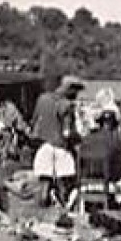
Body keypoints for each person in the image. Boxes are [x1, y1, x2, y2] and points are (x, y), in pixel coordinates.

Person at [30, 75, 84, 208]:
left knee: (44, 182)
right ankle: (63, 208)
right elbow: (67, 133)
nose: (76, 95)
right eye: (75, 92)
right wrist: (79, 138)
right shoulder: (66, 105)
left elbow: (34, 122)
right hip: (60, 147)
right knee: (64, 181)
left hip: (42, 145)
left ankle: (42, 208)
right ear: (70, 89)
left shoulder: (42, 99)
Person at [77, 107, 121, 205]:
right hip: (108, 185)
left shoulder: (87, 138)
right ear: (115, 124)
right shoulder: (118, 140)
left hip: (85, 184)